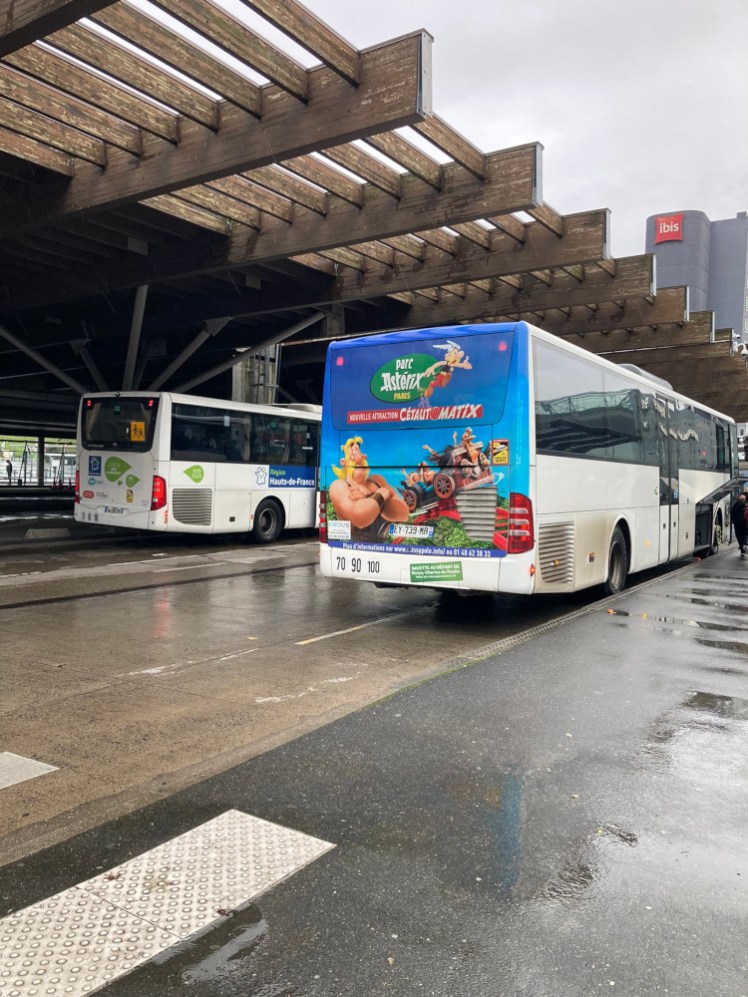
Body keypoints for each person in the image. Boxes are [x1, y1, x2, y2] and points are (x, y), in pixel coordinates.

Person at [730, 491, 748, 558]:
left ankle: (742, 549)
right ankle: (744, 545)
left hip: (737, 523)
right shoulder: (746, 503)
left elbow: (732, 514)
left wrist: (733, 521)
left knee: (739, 536)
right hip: (745, 522)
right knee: (745, 534)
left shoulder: (736, 504)